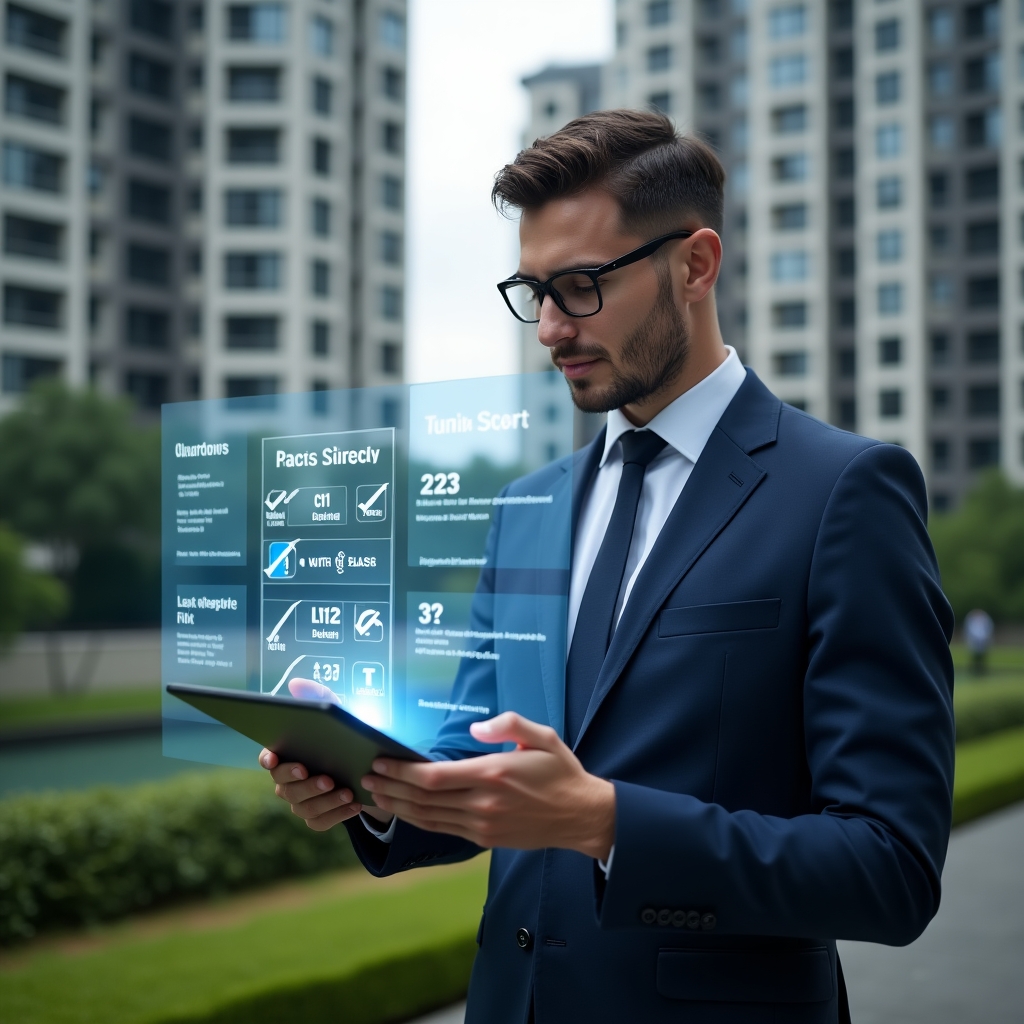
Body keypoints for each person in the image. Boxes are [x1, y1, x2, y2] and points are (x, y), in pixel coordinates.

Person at [261, 110, 955, 1024]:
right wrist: (373, 788)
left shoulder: (845, 492)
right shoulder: (526, 507)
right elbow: (476, 757)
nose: (549, 328)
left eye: (581, 286)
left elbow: (890, 868)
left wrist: (604, 823)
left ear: (696, 266)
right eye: (532, 290)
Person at [964, 608, 994, 676]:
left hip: (983, 641)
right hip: (974, 641)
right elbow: (969, 630)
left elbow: (988, 629)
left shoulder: (984, 620)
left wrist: (985, 638)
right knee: (975, 657)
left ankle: (982, 670)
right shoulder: (972, 620)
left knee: (982, 657)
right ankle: (974, 670)